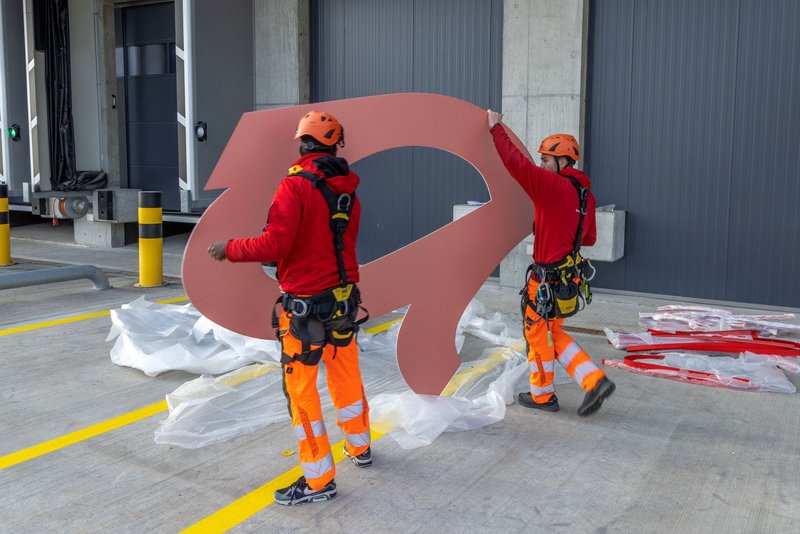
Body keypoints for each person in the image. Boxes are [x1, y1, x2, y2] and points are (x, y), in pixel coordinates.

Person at [208, 110, 371, 505]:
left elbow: (274, 244)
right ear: (335, 146)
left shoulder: (294, 186)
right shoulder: (348, 190)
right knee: (346, 376)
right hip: (343, 301)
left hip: (306, 308)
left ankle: (318, 481)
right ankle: (360, 446)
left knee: (302, 392)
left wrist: (229, 248)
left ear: (302, 144)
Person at [487, 109, 615, 416]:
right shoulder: (585, 195)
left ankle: (543, 396)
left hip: (545, 279)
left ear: (562, 162)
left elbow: (517, 166)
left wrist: (496, 129)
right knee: (553, 333)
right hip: (568, 278)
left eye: (546, 159)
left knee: (537, 334)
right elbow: (589, 237)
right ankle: (594, 381)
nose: (541, 164)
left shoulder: (552, 186)